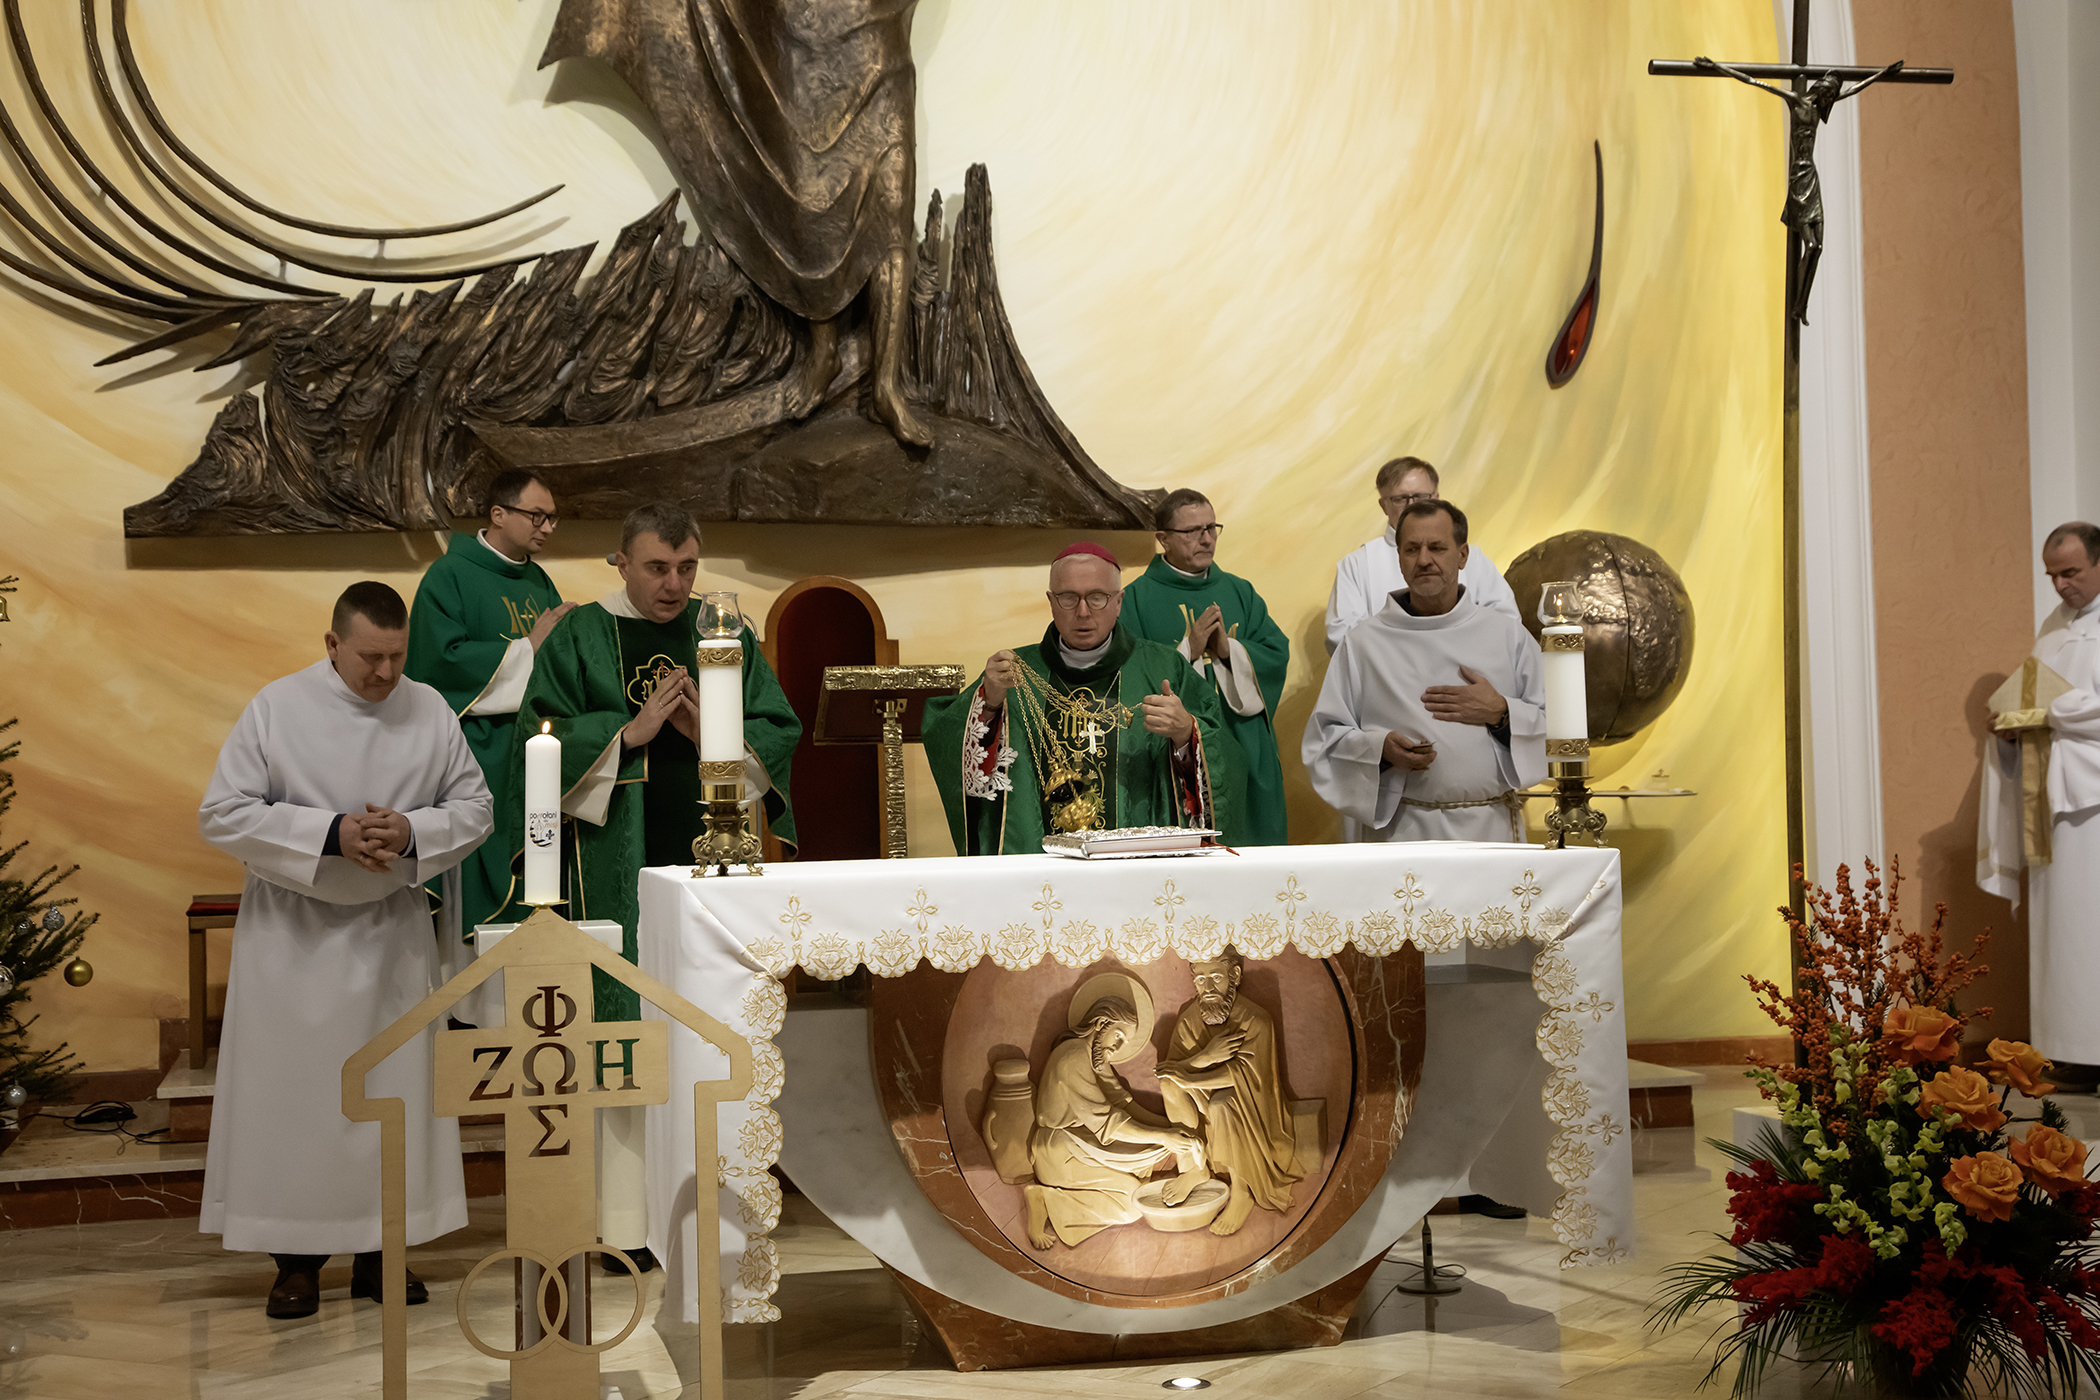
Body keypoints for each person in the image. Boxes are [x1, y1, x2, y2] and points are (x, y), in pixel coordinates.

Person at [490, 501, 800, 1269]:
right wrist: (626, 735)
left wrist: (711, 738)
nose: (674, 585)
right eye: (657, 568)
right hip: (613, 866)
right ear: (620, 563)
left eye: (687, 567)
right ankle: (628, 1224)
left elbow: (778, 729)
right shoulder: (582, 633)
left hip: (710, 869)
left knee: (707, 1029)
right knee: (626, 1036)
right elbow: (539, 736)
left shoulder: (723, 633)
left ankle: (717, 1208)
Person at [198, 582, 493, 1319]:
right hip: (292, 937)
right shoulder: (277, 706)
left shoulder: (429, 709)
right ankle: (295, 1264)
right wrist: (330, 833)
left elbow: (476, 808)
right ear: (332, 645)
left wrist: (412, 831)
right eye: (369, 658)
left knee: (392, 1097)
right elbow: (223, 813)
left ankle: (382, 1255)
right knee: (296, 1103)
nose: (385, 674)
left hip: (390, 936)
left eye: (397, 656)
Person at [922, 542, 1244, 852]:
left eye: (1097, 597)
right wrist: (989, 705)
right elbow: (947, 739)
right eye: (1068, 597)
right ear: (1051, 601)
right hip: (1042, 870)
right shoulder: (1013, 673)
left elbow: (1226, 751)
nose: (1083, 612)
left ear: (1119, 601)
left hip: (1138, 863)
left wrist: (1186, 733)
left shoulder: (1164, 667)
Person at [405, 469, 575, 973]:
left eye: (552, 518)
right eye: (537, 516)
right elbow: (439, 663)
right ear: (499, 514)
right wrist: (527, 649)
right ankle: (470, 1001)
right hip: (477, 755)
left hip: (530, 752)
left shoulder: (538, 580)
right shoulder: (449, 575)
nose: (547, 528)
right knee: (481, 875)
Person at [1304, 500, 1546, 843]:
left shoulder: (1507, 636)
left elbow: (1557, 731)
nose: (1424, 560)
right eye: (1411, 549)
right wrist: (1379, 751)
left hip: (1489, 831)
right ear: (1399, 559)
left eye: (1437, 547)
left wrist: (1502, 714)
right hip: (1400, 833)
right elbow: (1324, 742)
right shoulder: (1363, 643)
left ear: (1462, 555)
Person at [1980, 522, 2100, 1091]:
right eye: (2052, 575)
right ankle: (2071, 1051)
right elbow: (2035, 704)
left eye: (2070, 572)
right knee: (2063, 929)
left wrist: (2049, 711)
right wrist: (2010, 730)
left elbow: (2067, 708)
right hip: (2051, 797)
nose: (2059, 585)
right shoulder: (2052, 629)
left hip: (2096, 801)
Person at [1121, 489, 1291, 844]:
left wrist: (1230, 652)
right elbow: (1130, 675)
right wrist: (1188, 651)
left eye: (1211, 527)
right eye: (1192, 531)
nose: (1206, 538)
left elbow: (1275, 653)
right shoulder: (1136, 598)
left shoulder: (1241, 591)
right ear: (1163, 538)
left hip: (1244, 741)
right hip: (1176, 750)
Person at [1024, 996, 1205, 1250]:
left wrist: (1168, 1129)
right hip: (1060, 1152)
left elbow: (1123, 1104)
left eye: (1124, 1042)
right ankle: (1045, 1199)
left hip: (1083, 1142)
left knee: (1144, 1170)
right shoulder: (1072, 1056)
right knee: (1133, 1206)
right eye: (1118, 1036)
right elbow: (1107, 1122)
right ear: (1100, 1024)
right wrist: (1163, 1136)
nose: (1118, 1047)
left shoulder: (1094, 1057)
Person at [1155, 949, 1304, 1237]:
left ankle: (1242, 1191)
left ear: (1234, 976)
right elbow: (1170, 1072)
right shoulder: (1189, 1019)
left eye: (1215, 977)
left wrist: (1191, 1077)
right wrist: (1205, 1058)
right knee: (1169, 1085)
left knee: (1221, 1104)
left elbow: (1245, 1075)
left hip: (1252, 1105)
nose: (1208, 987)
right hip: (1205, 1096)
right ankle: (1194, 1168)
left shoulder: (1255, 1019)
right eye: (1200, 980)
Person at [1325, 456, 1519, 653]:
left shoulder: (1471, 558)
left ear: (1436, 498)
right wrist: (1411, 655)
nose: (1411, 505)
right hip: (1390, 668)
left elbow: (1507, 622)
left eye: (1420, 496)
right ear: (1383, 505)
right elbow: (1341, 637)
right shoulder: (1357, 564)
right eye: (1400, 499)